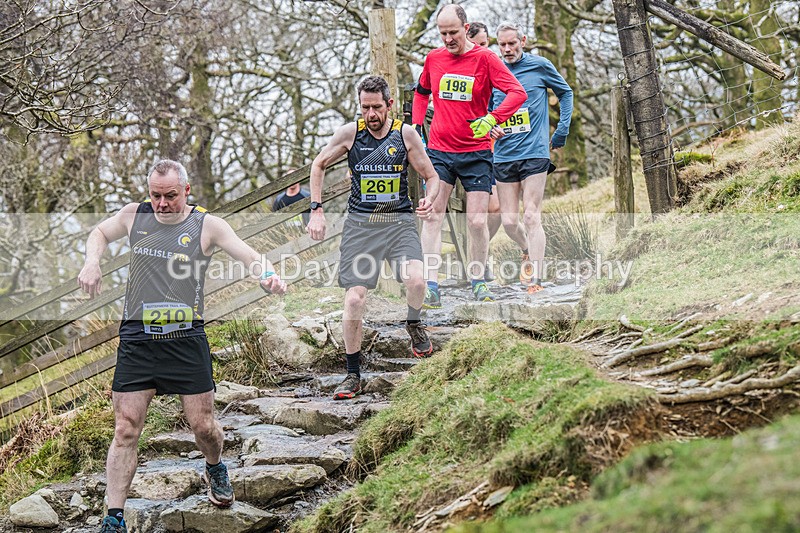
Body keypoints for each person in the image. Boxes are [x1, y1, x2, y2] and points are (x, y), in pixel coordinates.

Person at [78, 160, 287, 533]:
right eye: (156, 195)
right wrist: (93, 261)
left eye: (170, 196)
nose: (161, 203)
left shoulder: (206, 225)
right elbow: (99, 232)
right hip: (138, 340)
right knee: (126, 428)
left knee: (203, 427)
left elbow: (249, 255)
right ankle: (114, 517)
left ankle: (214, 466)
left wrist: (268, 276)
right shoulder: (133, 216)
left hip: (185, 340)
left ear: (186, 191)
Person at [307, 75, 440, 400]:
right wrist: (316, 208)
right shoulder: (351, 134)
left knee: (417, 281)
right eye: (365, 108)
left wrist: (428, 198)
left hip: (398, 224)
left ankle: (413, 324)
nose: (371, 114)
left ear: (389, 105)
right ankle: (352, 373)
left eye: (376, 107)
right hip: (361, 229)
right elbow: (319, 164)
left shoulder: (404, 134)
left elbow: (432, 176)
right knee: (354, 299)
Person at [413, 4, 526, 307]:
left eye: (452, 32)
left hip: (476, 152)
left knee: (476, 221)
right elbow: (422, 92)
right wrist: (415, 125)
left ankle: (478, 281)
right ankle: (431, 284)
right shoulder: (434, 59)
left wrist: (493, 118)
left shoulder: (485, 58)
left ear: (465, 28)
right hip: (439, 150)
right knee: (434, 216)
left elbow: (517, 93)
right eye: (442, 33)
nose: (448, 39)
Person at [489, 22, 573, 293]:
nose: (507, 49)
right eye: (502, 44)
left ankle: (536, 279)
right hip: (503, 154)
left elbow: (566, 93)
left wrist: (562, 128)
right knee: (509, 221)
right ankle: (525, 249)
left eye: (512, 43)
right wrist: (490, 125)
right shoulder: (493, 71)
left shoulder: (540, 66)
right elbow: (483, 110)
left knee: (531, 216)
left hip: (535, 151)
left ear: (523, 40)